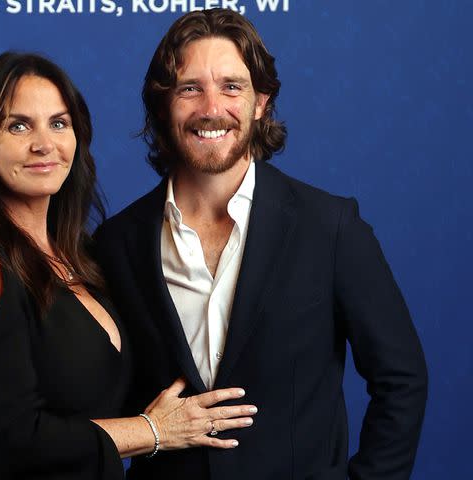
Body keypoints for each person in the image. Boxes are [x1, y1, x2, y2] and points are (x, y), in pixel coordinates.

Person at [93, 9, 428, 480]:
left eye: (231, 86)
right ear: (163, 103)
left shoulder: (330, 227)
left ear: (260, 103)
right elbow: (90, 387)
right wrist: (0, 426)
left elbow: (402, 380)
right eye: (190, 88)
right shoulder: (115, 244)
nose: (212, 108)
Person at [0, 51, 258, 479]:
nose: (44, 143)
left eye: (58, 123)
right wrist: (152, 431)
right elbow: (12, 438)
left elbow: (76, 405)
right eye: (18, 125)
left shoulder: (84, 257)